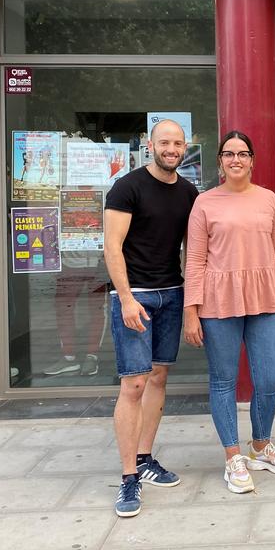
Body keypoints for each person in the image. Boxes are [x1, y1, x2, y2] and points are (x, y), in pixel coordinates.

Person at [183, 130, 275, 494]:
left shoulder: (268, 199)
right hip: (219, 301)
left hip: (265, 298)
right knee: (224, 381)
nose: (236, 159)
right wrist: (191, 310)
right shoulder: (204, 203)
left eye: (243, 153)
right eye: (229, 154)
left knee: (267, 379)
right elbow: (195, 259)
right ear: (219, 161)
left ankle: (260, 445)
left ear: (252, 160)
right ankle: (233, 455)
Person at [103, 119, 197, 518]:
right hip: (135, 296)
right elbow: (112, 246)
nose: (171, 148)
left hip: (172, 294)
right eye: (164, 142)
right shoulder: (127, 187)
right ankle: (128, 479)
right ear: (149, 144)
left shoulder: (190, 192)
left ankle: (144, 459)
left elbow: (194, 250)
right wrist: (125, 298)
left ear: (184, 146)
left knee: (158, 377)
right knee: (134, 383)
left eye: (177, 143)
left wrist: (193, 299)